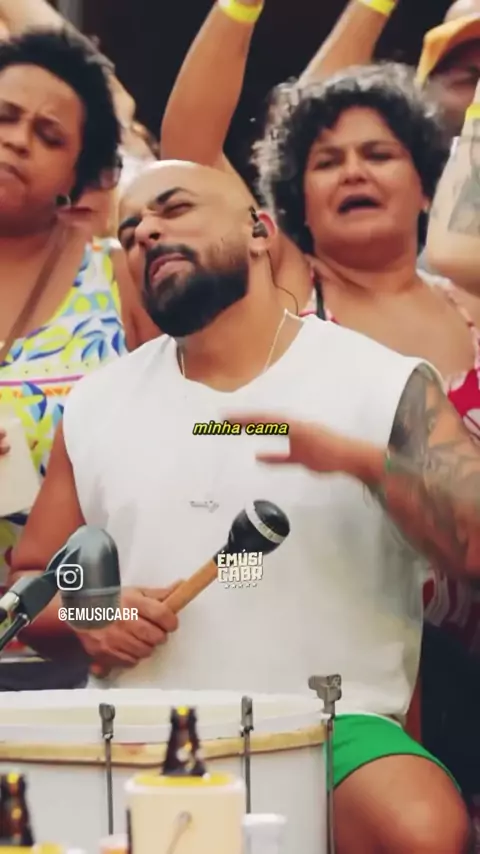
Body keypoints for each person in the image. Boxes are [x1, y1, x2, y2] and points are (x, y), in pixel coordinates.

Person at [10, 158, 480, 852]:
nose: (147, 234)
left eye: (174, 209)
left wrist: (363, 463)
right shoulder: (96, 403)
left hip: (326, 722)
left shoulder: (384, 383)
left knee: (421, 829)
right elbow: (32, 583)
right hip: (137, 727)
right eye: (131, 231)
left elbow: (474, 539)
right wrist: (93, 615)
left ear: (259, 231)